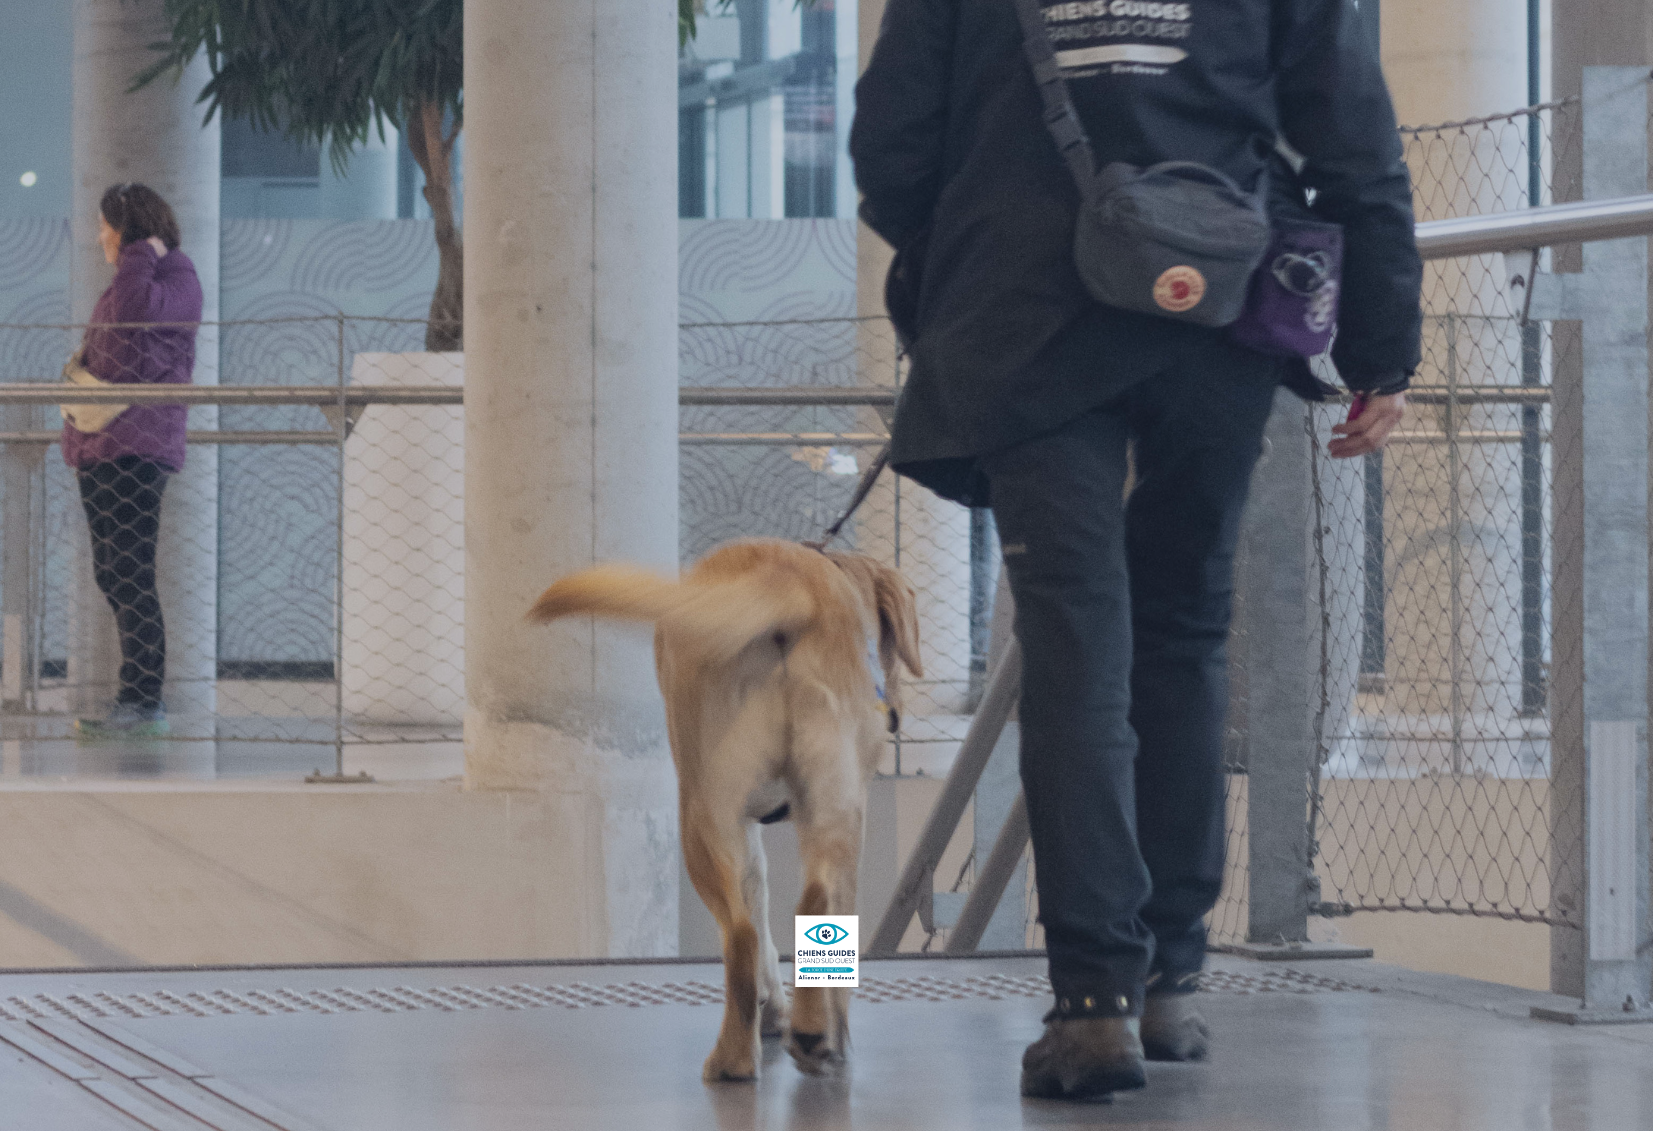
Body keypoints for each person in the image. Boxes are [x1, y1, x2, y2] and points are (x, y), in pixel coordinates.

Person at [852, 0, 1421, 1101]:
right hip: (1216, 303)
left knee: (1073, 645)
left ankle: (1093, 1002)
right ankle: (1170, 980)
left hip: (1024, 312)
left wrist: (976, 238)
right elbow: (1354, 139)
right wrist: (1381, 349)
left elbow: (891, 146)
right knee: (1185, 629)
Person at [66, 183, 201, 739]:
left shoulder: (175, 277)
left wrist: (139, 249)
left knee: (131, 570)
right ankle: (134, 697)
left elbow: (124, 333)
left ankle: (145, 701)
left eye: (106, 226)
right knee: (112, 571)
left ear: (128, 228)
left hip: (138, 446)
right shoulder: (138, 278)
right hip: (104, 445)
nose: (100, 236)